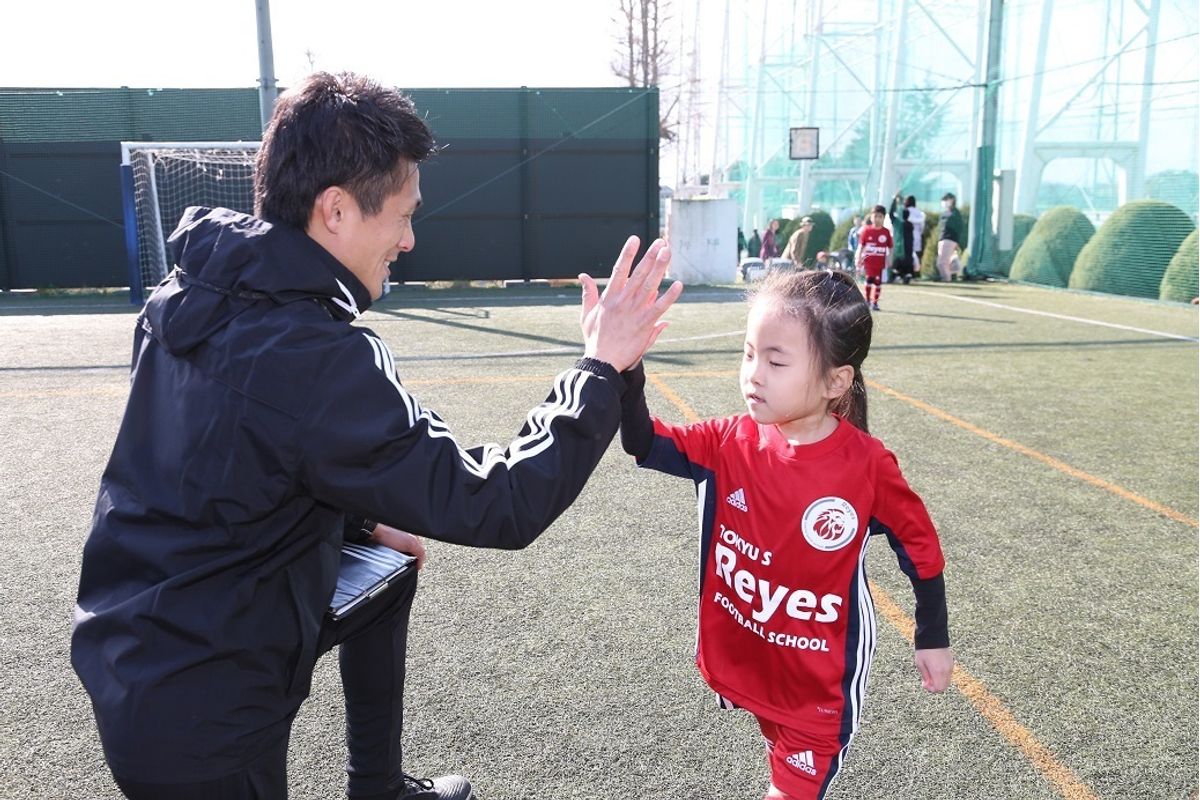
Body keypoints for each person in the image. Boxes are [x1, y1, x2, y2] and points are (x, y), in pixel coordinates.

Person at [70, 71, 683, 800]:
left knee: (385, 566)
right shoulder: (314, 355)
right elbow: (497, 503)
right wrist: (600, 367)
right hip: (203, 710)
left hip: (144, 642)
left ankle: (379, 788)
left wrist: (364, 516)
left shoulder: (192, 290)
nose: (410, 238)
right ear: (335, 211)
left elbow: (235, 453)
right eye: (402, 214)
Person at [618, 269, 953, 800]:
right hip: (752, 668)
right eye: (749, 354)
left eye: (776, 361)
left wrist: (932, 635)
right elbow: (643, 442)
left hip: (817, 693)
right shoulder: (729, 440)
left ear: (835, 382)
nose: (754, 374)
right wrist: (627, 367)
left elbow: (921, 548)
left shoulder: (866, 467)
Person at [854, 205, 892, 311]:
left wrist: (889, 259)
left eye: (880, 216)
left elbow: (890, 247)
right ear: (871, 217)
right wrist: (858, 257)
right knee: (869, 279)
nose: (877, 219)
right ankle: (867, 300)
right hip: (869, 261)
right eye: (875, 216)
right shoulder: (866, 231)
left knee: (878, 282)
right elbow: (861, 245)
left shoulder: (886, 232)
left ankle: (875, 302)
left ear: (884, 218)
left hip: (880, 262)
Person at [937, 192, 964, 281]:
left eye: (946, 200)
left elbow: (958, 227)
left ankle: (946, 279)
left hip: (949, 239)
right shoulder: (945, 213)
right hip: (943, 239)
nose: (944, 202)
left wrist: (956, 240)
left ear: (951, 200)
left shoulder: (955, 213)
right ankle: (946, 277)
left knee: (942, 263)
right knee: (945, 262)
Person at [888, 194, 913, 284]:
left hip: (899, 251)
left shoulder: (897, 223)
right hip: (908, 251)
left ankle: (896, 276)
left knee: (896, 266)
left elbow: (891, 213)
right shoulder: (910, 225)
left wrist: (895, 200)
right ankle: (905, 276)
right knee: (905, 267)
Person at [906, 196, 925, 280]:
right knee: (917, 255)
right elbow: (922, 227)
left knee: (908, 255)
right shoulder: (919, 213)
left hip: (907, 237)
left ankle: (908, 272)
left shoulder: (905, 211)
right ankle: (916, 274)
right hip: (917, 236)